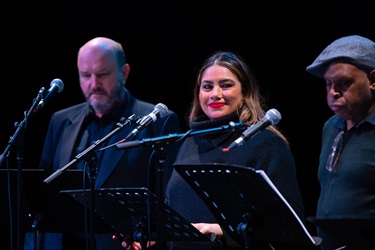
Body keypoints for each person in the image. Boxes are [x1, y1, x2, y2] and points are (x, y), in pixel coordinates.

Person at [123, 51, 311, 249]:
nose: (215, 94)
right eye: (207, 87)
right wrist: (153, 237)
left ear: (245, 92)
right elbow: (178, 212)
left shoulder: (266, 144)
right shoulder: (188, 142)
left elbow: (287, 225)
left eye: (226, 85)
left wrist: (222, 230)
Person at [23, 37, 182, 250]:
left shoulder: (158, 120)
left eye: (103, 74)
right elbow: (43, 197)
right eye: (85, 75)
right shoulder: (60, 120)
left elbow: (170, 199)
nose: (94, 84)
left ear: (124, 73)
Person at [306, 35, 375, 250]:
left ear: (373, 80)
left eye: (344, 83)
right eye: (328, 84)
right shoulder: (331, 127)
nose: (333, 92)